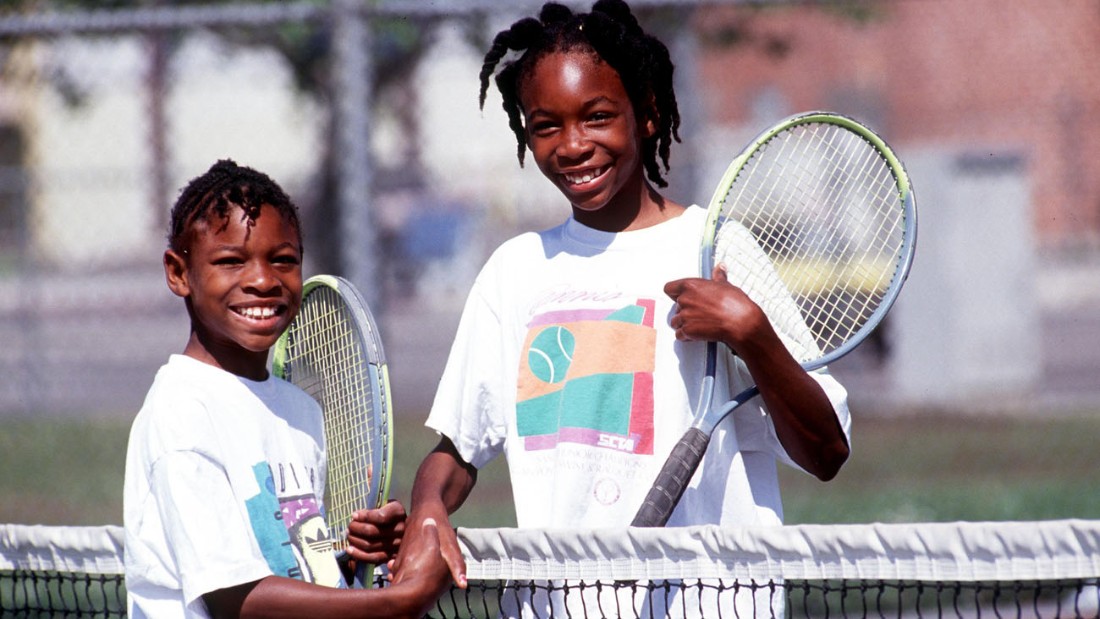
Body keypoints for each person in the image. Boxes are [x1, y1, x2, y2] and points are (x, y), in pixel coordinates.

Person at [394, 0, 852, 603]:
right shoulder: (515, 271)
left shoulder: (714, 248)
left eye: (598, 116)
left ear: (648, 114)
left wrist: (752, 332)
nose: (573, 144)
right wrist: (428, 506)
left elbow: (825, 453)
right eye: (546, 125)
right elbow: (458, 450)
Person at [123, 159, 449, 619]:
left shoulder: (300, 410)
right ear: (179, 273)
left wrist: (353, 554)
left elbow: (300, 562)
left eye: (283, 260)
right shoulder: (182, 411)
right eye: (231, 261)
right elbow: (235, 598)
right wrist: (398, 602)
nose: (262, 280)